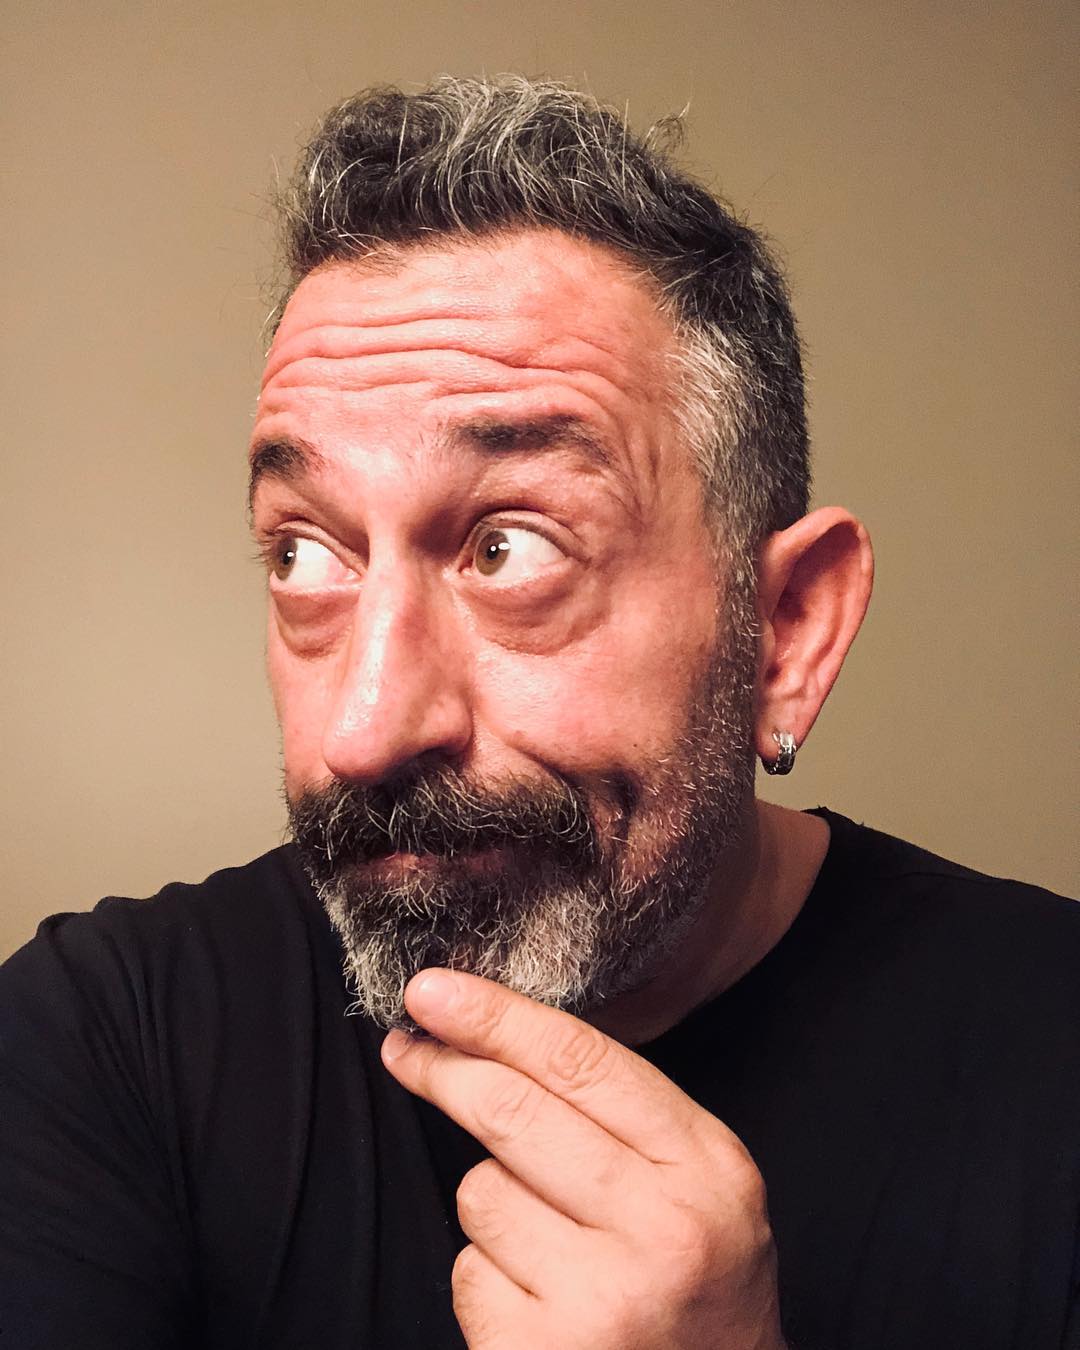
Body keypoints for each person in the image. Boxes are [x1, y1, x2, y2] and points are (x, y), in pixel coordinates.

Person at [1, 76, 1077, 1350]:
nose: (364, 731)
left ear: (786, 630)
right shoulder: (100, 1036)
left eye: (507, 548)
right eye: (304, 553)